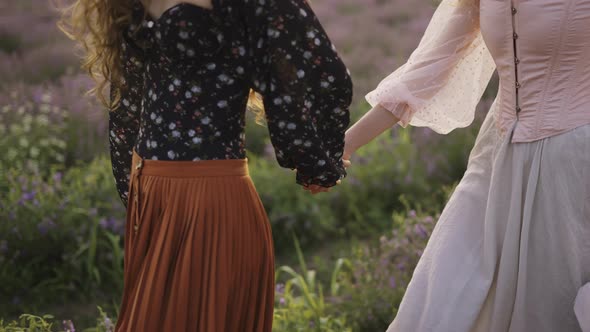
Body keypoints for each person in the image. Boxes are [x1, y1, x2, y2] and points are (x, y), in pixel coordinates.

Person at [59, 0, 352, 330]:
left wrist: (313, 158)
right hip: (152, 191)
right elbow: (131, 95)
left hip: (209, 199)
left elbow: (320, 72)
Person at [343, 0, 590, 331]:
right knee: (447, 284)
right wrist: (346, 144)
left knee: (547, 302)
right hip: (495, 157)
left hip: (570, 161)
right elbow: (426, 70)